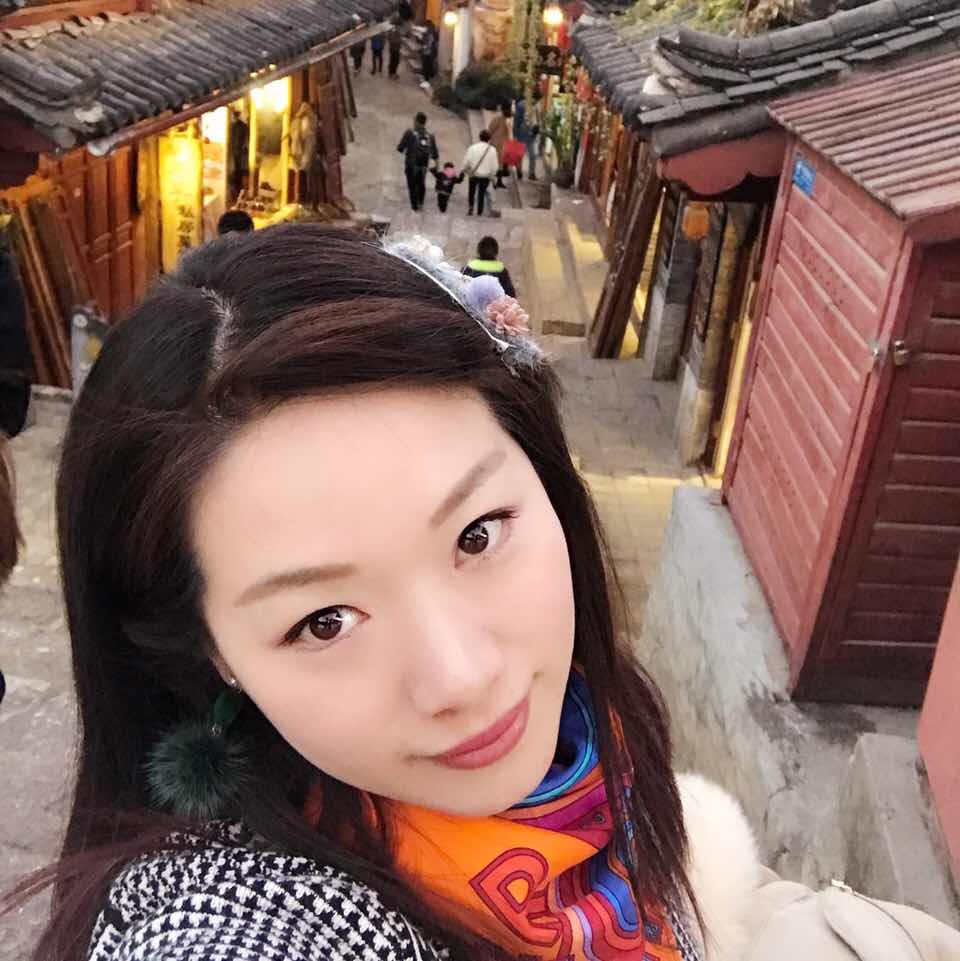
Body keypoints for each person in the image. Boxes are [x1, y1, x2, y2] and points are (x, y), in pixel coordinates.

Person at [0, 224, 732, 961]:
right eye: (325, 621)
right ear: (210, 650)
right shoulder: (244, 921)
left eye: (477, 535)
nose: (462, 677)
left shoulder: (603, 734)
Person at [396, 112, 438, 211]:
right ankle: (421, 203)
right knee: (421, 183)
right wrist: (437, 166)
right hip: (423, 165)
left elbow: (400, 148)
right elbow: (435, 154)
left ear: (417, 122)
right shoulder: (430, 136)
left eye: (414, 120)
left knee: (412, 185)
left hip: (411, 165)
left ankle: (414, 206)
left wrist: (408, 152)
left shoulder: (409, 133)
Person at [461, 130, 499, 217]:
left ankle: (471, 207)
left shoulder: (472, 148)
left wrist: (463, 170)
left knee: (471, 191)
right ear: (489, 139)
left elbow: (467, 161)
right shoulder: (492, 150)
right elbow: (495, 166)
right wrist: (492, 175)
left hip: (473, 173)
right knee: (481, 193)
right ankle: (479, 211)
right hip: (485, 176)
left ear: (479, 137)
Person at [513, 90, 542, 181]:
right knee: (520, 155)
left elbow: (538, 119)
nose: (536, 102)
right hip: (521, 134)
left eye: (537, 101)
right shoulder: (521, 105)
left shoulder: (536, 106)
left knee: (533, 155)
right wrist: (515, 134)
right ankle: (519, 170)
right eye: (535, 100)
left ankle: (531, 173)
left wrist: (538, 129)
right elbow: (516, 120)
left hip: (532, 135)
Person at [487, 102, 511, 190]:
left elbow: (490, 130)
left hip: (502, 146)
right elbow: (490, 130)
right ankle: (495, 181)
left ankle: (498, 181)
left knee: (500, 165)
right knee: (496, 164)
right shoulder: (498, 119)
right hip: (496, 145)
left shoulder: (507, 120)